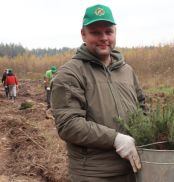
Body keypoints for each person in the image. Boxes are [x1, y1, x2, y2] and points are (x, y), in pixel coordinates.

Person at [51, 4, 146, 182]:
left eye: (108, 32)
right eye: (95, 32)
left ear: (115, 33)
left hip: (133, 168)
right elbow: (69, 125)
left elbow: (143, 108)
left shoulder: (127, 70)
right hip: (94, 174)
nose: (104, 38)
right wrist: (115, 139)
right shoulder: (70, 73)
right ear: (83, 34)